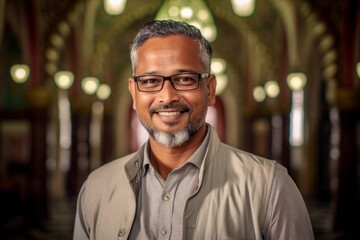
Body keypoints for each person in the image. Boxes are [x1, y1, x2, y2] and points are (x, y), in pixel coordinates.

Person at [73, 19, 314, 240]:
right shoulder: (97, 188)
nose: (167, 96)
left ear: (209, 89)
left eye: (185, 79)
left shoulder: (269, 186)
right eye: (149, 81)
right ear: (134, 93)